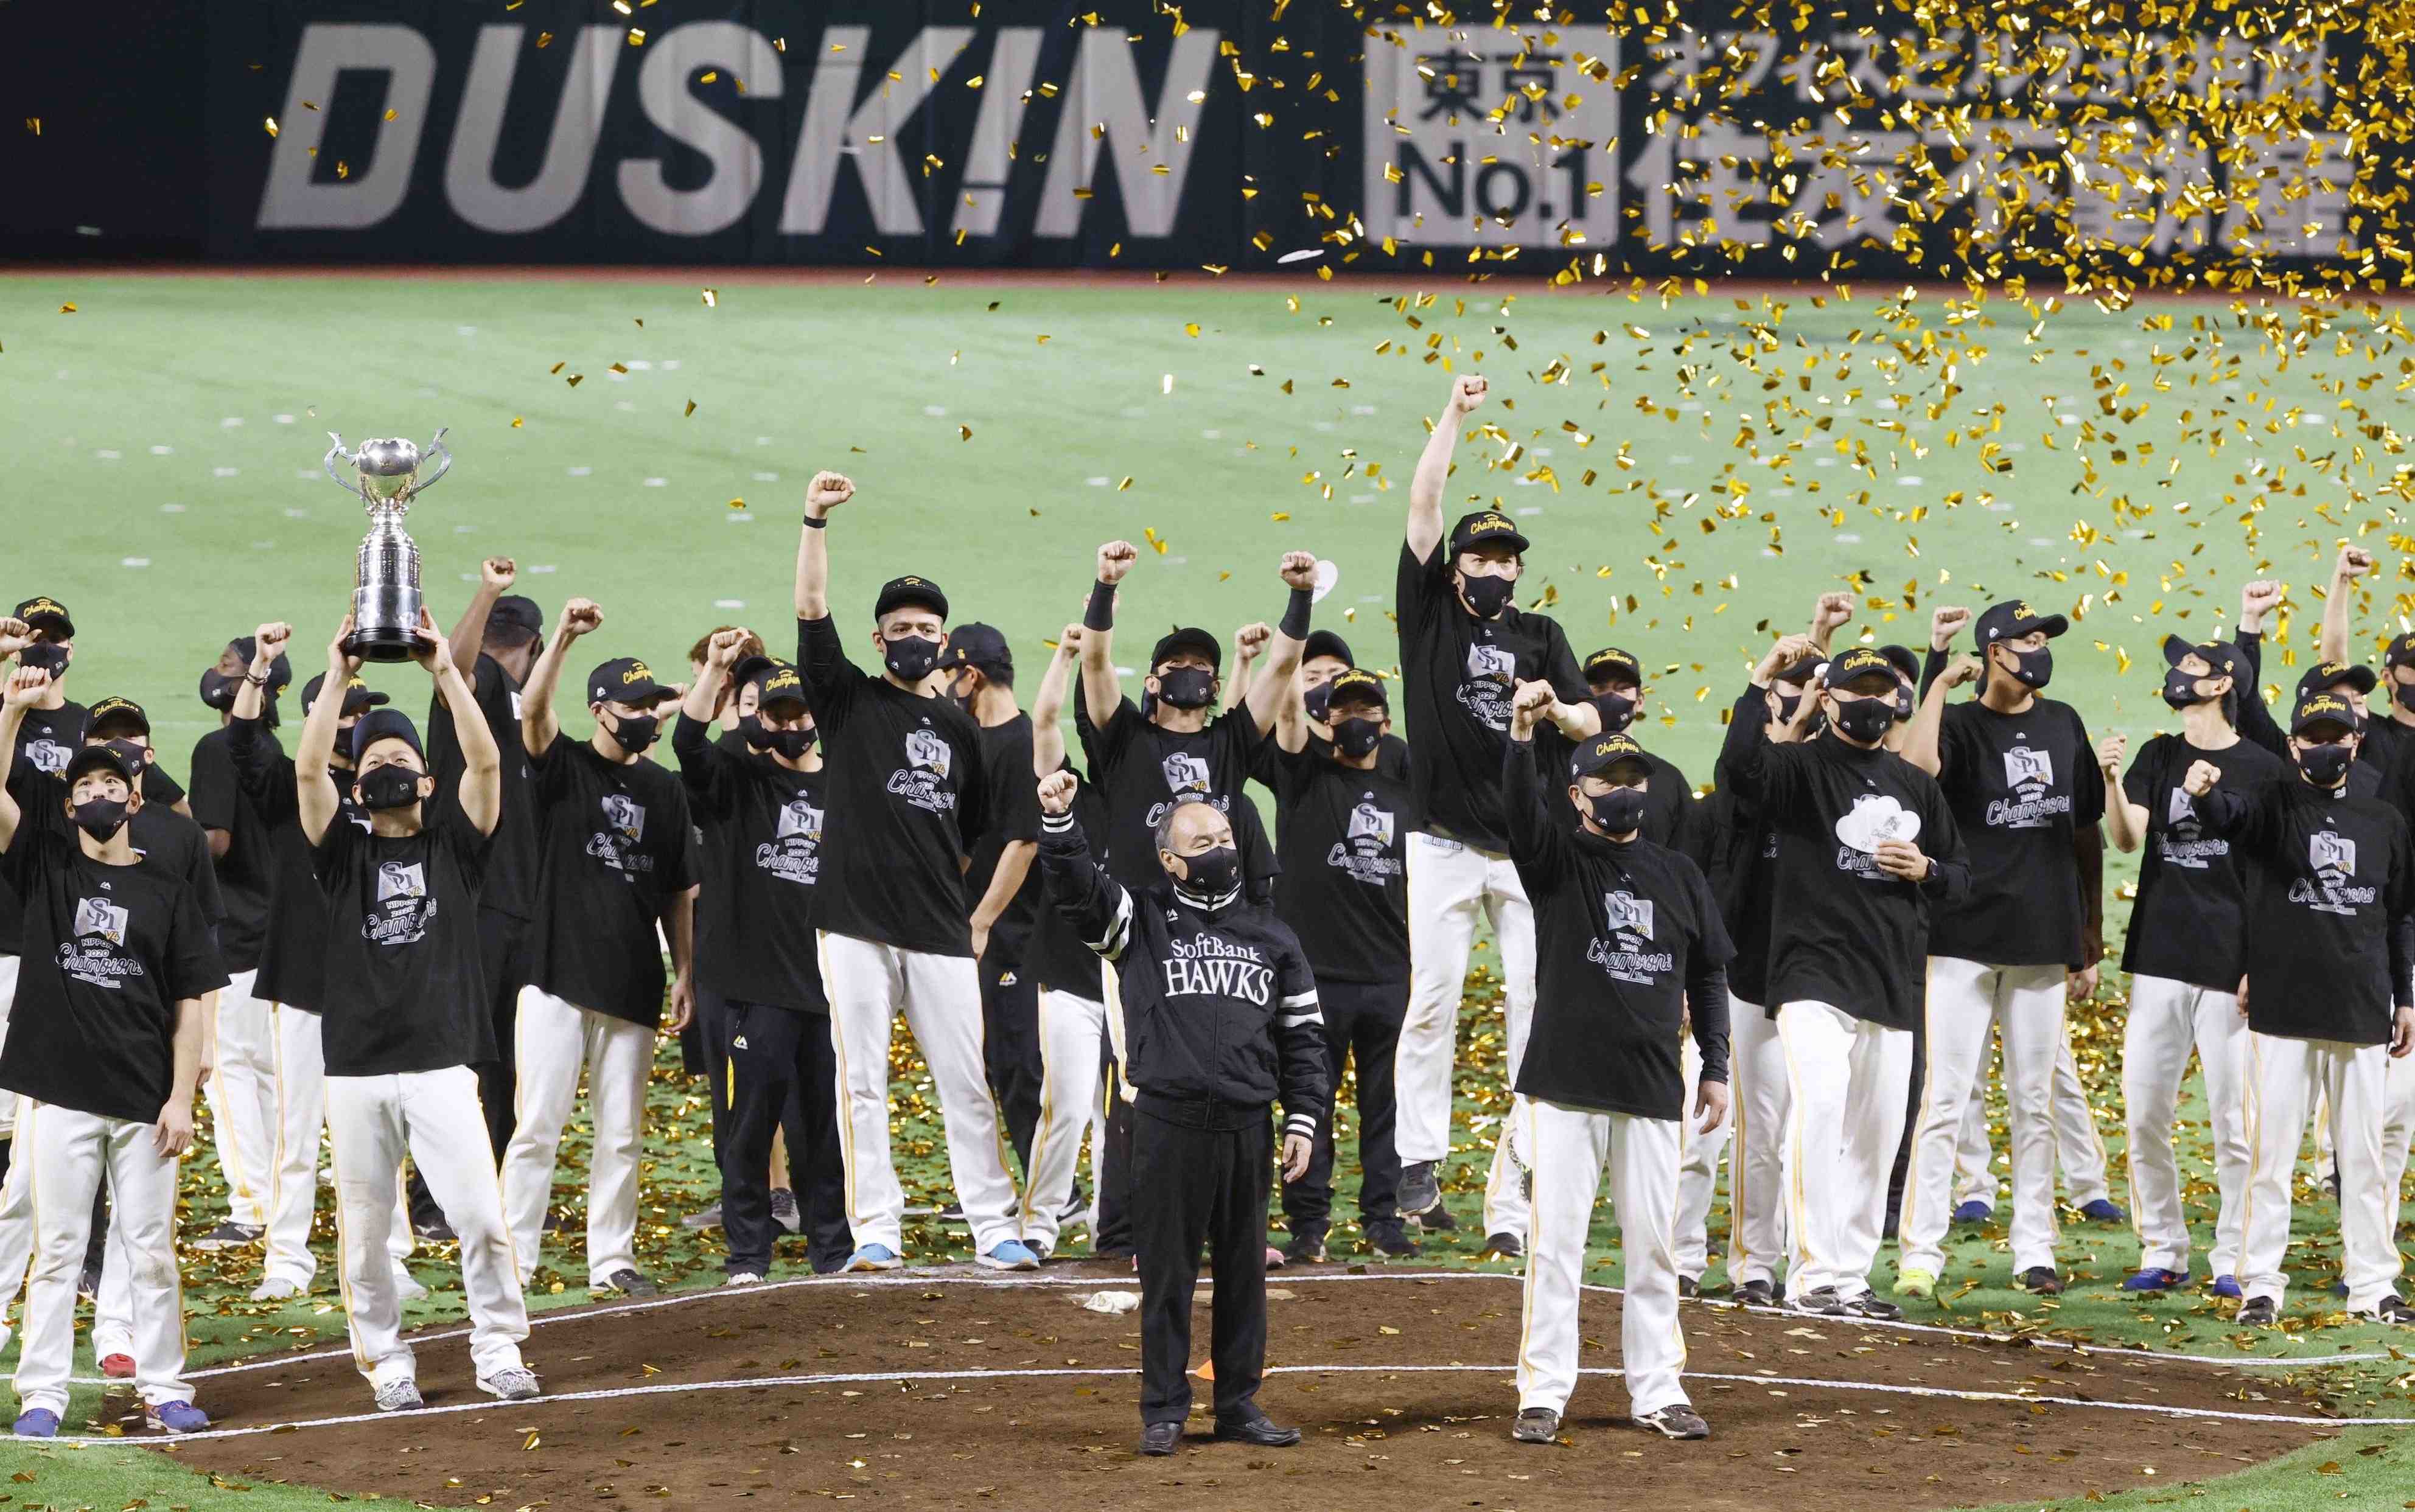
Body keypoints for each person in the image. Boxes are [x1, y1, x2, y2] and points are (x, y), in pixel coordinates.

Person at [1036, 770, 1327, 1455]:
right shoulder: (1137, 920)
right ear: (1169, 859)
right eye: (1202, 840)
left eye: (1225, 836)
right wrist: (1060, 827)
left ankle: (1237, 1403)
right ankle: (1163, 1407)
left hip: (1246, 1126)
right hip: (1166, 1122)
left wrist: (1303, 1118)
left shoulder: (1273, 934)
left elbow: (1303, 1038)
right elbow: (1078, 895)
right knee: (1167, 1274)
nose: (1220, 847)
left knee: (1243, 1274)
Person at [293, 609, 541, 1409]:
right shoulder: (344, 854)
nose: (391, 767)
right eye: (376, 761)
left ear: (428, 780)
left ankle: (498, 1347)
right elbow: (306, 778)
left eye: (404, 756)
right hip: (358, 1069)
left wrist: (444, 671)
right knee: (364, 1237)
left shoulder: (455, 844)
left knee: (479, 1216)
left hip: (441, 1060)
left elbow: (488, 761)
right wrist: (337, 676)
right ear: (357, 784)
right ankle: (388, 1365)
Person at [791, 470, 1036, 1272]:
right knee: (861, 1080)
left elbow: (972, 835)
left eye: (927, 624)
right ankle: (877, 1229)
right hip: (853, 924)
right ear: (877, 641)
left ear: (946, 638)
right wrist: (815, 520)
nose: (914, 634)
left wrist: (970, 916)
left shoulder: (961, 732)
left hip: (936, 929)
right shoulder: (846, 700)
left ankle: (993, 1224)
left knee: (966, 1080)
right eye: (898, 624)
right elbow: (811, 612)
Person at [1392, 374, 1595, 1256]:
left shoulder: (1541, 635)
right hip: (1439, 843)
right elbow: (1426, 497)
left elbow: (1593, 720)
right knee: (1433, 999)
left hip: (1525, 849)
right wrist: (1457, 413)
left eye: (1509, 558)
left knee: (1532, 1005)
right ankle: (1419, 1160)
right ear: (1458, 568)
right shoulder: (1427, 613)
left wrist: (1551, 709)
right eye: (1482, 559)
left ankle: (1517, 1187)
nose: (1497, 569)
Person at [1499, 692, 1728, 1443]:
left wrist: (1715, 1066)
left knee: (1653, 1247)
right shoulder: (1556, 861)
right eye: (1607, 780)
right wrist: (1521, 734)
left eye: (1633, 778)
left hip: (1651, 1086)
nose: (1625, 790)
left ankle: (1658, 1389)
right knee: (1556, 1243)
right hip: (1564, 1085)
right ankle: (1543, 1391)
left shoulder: (1678, 874)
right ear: (1577, 795)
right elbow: (1518, 811)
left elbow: (1706, 977)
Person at [0, 669, 221, 1438]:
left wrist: (182, 1096)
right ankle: (43, 1394)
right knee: (58, 1250)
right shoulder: (46, 867)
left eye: (113, 782)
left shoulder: (169, 889)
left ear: (136, 799)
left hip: (144, 1101)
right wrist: (10, 710)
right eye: (85, 783)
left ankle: (164, 1387)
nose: (99, 792)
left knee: (150, 1251)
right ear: (69, 804)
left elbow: (191, 997)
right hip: (60, 1094)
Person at [1718, 645, 1966, 1318]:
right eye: (1855, 689)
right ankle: (1811, 1273)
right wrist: (1759, 677)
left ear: (1896, 702)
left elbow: (1961, 874)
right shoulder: (1797, 769)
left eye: (1881, 691)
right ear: (1824, 700)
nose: (1870, 702)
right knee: (1820, 1107)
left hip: (1889, 980)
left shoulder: (1914, 783)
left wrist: (1927, 871)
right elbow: (1737, 768)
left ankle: (1850, 1275)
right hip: (1809, 973)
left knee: (1877, 1134)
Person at [2183, 689, 2415, 1326]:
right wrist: (2202, 793)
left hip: (2363, 1008)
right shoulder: (2269, 807)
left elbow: (2397, 917)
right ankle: (2259, 1282)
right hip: (2283, 1010)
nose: (2324, 746)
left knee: (2364, 1158)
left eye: (2335, 734)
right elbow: (2225, 817)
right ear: (2292, 747)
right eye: (2311, 736)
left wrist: (2406, 999)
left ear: (2355, 742)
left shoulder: (2382, 821)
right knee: (2273, 1154)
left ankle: (2373, 1285)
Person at [1895, 602, 2106, 1298]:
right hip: (1960, 935)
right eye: (2027, 639)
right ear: (1992, 651)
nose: (2039, 650)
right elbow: (1917, 769)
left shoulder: (2062, 721)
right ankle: (1921, 1249)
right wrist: (1934, 684)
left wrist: (2090, 931)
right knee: (1946, 1099)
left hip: (2042, 938)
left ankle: (2033, 1248)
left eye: (2044, 639)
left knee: (2033, 1102)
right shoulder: (1955, 723)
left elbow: (2083, 829)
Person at [506, 599, 699, 1297]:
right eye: (632, 703)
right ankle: (514, 1259)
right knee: (537, 1127)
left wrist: (685, 972)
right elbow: (531, 713)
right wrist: (561, 637)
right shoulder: (564, 768)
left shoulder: (666, 790)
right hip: (555, 974)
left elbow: (679, 889)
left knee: (620, 1133)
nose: (645, 713)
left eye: (651, 702)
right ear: (599, 710)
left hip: (632, 981)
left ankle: (611, 1257)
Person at [220, 657, 421, 1304]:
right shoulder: (289, 784)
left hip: (380, 985)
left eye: (366, 713)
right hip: (308, 981)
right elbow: (243, 744)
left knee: (385, 1131)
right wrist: (256, 673)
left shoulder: (393, 791)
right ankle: (287, 1256)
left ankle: (392, 1254)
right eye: (346, 711)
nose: (357, 722)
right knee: (298, 1129)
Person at [2098, 635, 2278, 1296]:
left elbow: (2272, 875)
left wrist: (2261, 961)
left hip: (2229, 967)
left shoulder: (2263, 769)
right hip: (2158, 958)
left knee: (2233, 1121)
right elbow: (2125, 836)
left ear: (2221, 683)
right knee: (2143, 1109)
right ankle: (2163, 1247)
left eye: (2191, 667)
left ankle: (2232, 1254)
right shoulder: (2158, 754)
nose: (2175, 673)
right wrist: (2112, 782)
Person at [673, 638, 852, 1281]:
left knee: (822, 1132)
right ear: (757, 721)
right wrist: (717, 674)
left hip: (827, 988)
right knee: (747, 1129)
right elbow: (687, 745)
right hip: (749, 988)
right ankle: (749, 1252)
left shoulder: (845, 783)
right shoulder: (735, 779)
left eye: (801, 713)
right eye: (777, 715)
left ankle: (831, 1248)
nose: (792, 724)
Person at [1266, 667, 1418, 1262]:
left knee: (1385, 1105)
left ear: (1385, 720)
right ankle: (1308, 1222)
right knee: (1310, 1098)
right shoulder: (1304, 774)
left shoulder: (1408, 778)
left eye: (1366, 709)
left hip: (1390, 973)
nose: (1357, 720)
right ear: (1325, 720)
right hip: (1315, 976)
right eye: (1343, 709)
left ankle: (1383, 1217)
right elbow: (1281, 718)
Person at [425, 559, 547, 1177]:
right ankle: (440, 1193)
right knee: (472, 1052)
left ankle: (493, 1182)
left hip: (517, 908)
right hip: (475, 905)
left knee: (507, 1056)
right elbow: (459, 669)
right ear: (537, 642)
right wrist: (485, 591)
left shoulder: (529, 711)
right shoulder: (485, 690)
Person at [190, 636, 293, 1252]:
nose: (216, 673)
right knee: (267, 1075)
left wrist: (158, 840)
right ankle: (279, 1197)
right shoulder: (275, 752)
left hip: (232, 937)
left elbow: (216, 841)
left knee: (228, 1073)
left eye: (228, 667)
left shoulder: (216, 748)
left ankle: (249, 1206)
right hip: (276, 937)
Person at [1017, 627, 1116, 1259]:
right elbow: (1043, 718)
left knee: (1121, 1116)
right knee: (1069, 1105)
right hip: (1068, 974)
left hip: (1128, 974)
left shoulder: (1155, 801)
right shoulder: (1068, 786)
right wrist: (1065, 652)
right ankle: (1039, 1223)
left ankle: (1112, 1226)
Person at [941, 624, 1045, 1176]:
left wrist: (980, 922)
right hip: (974, 929)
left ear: (971, 676)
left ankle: (1051, 1191)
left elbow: (1023, 843)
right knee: (978, 1062)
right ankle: (997, 1186)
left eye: (948, 674)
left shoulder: (1022, 743)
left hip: (1012, 934)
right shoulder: (973, 738)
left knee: (1017, 1064)